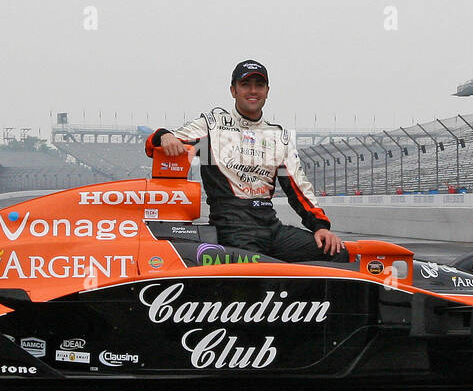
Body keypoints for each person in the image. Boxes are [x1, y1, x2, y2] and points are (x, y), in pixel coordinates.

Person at [146, 60, 346, 262]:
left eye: (259, 85)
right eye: (245, 85)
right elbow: (153, 143)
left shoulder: (278, 137)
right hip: (232, 229)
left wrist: (320, 227)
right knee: (260, 272)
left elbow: (298, 188)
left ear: (267, 91)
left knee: (336, 252)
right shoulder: (212, 126)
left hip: (270, 227)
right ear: (233, 90)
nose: (253, 91)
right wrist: (164, 135)